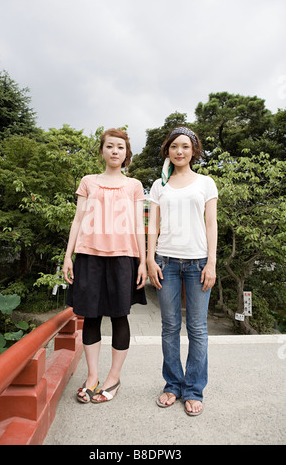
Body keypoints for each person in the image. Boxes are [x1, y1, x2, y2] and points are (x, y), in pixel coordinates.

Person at [62, 128, 147, 404]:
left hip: (123, 257)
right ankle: (92, 377)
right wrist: (68, 256)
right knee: (91, 315)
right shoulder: (88, 182)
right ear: (102, 151)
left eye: (120, 147)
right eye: (109, 146)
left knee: (120, 316)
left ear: (126, 154)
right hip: (88, 256)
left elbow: (138, 226)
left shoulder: (134, 185)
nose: (114, 151)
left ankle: (114, 377)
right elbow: (78, 220)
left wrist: (143, 261)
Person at [147, 126, 218, 416]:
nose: (180, 151)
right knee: (170, 327)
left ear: (194, 151)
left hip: (198, 262)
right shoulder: (158, 185)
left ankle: (193, 390)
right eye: (175, 146)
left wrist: (212, 262)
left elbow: (211, 223)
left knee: (198, 329)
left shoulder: (205, 183)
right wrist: (150, 259)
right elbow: (152, 225)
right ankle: (173, 385)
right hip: (166, 263)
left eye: (185, 147)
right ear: (168, 150)